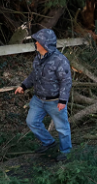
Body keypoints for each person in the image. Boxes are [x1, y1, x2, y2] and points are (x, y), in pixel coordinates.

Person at [15, 29, 73, 161]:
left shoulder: (60, 60)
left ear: (45, 43)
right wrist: (23, 86)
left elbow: (66, 81)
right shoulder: (38, 58)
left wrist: (63, 100)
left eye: (38, 41)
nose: (35, 43)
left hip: (55, 100)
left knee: (62, 128)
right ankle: (48, 142)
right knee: (32, 121)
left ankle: (66, 152)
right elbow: (33, 75)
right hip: (38, 99)